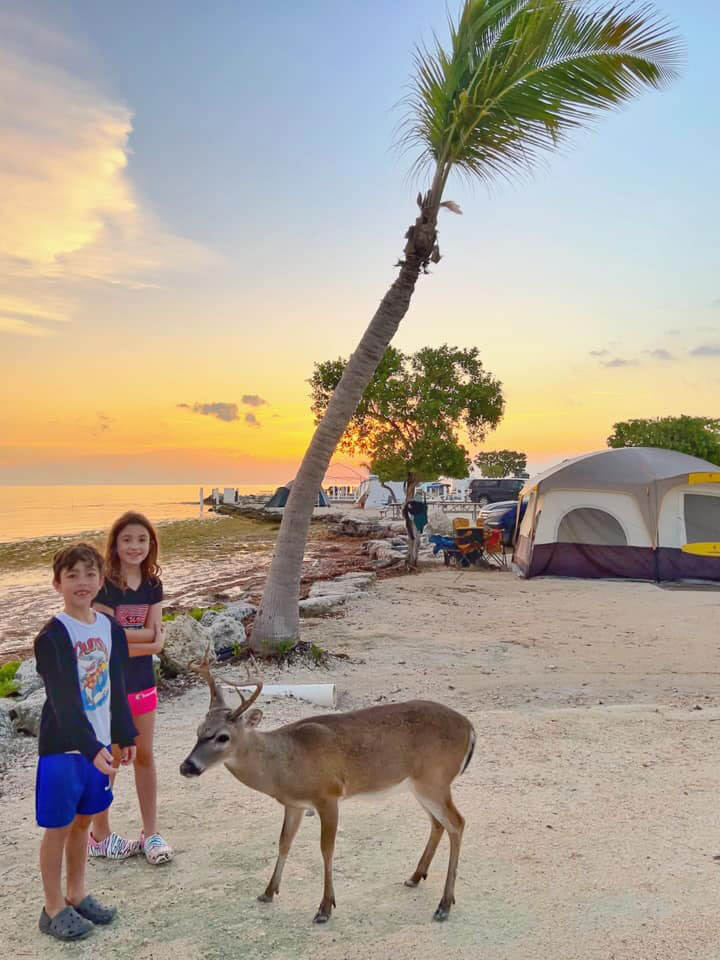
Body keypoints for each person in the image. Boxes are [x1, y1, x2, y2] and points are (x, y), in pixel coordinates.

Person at [35, 542, 137, 941]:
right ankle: (52, 905)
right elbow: (61, 700)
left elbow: (117, 685)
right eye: (73, 575)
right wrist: (91, 747)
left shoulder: (108, 627)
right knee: (58, 828)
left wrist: (124, 734)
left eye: (90, 574)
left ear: (101, 580)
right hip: (64, 750)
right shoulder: (53, 635)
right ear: (57, 582)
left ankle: (76, 893)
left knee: (83, 824)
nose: (82, 582)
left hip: (99, 747)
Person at [88, 511, 173, 865]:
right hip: (108, 686)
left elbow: (155, 634)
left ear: (150, 544)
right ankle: (100, 836)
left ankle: (150, 833)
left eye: (141, 539)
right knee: (108, 759)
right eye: (127, 540)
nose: (135, 546)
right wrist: (149, 644)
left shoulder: (153, 584)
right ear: (115, 545)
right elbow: (106, 641)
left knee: (145, 756)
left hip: (142, 683)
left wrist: (139, 641)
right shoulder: (104, 585)